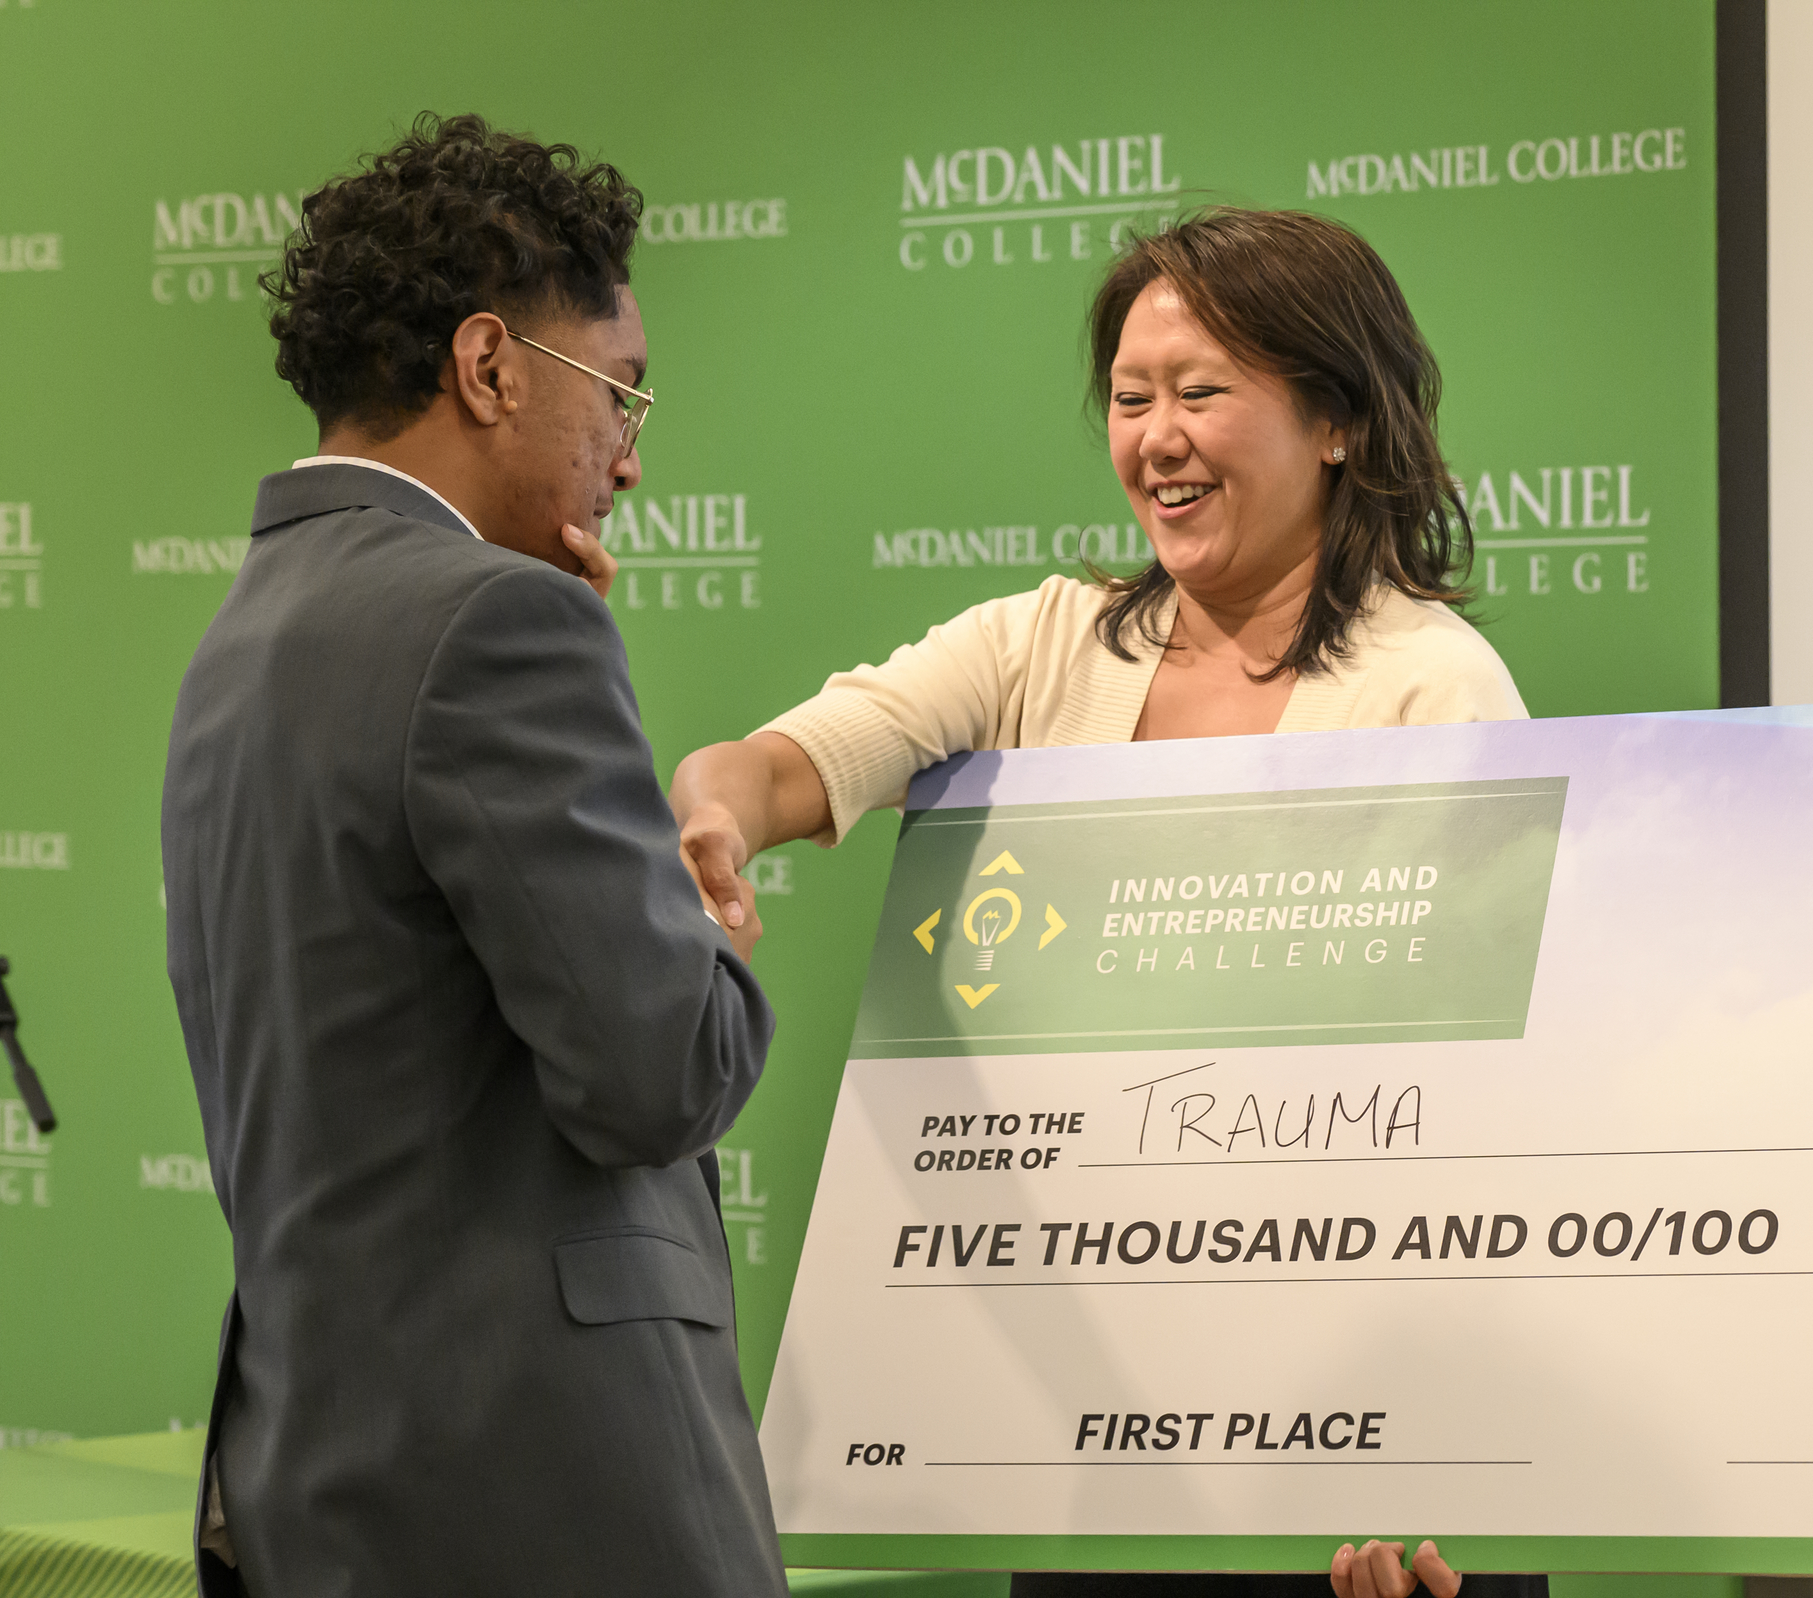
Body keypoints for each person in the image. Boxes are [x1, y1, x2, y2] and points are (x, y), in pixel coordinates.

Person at [672, 209, 1538, 1598]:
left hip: (1351, 1445)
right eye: (1133, 399)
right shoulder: (1043, 642)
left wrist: (1419, 1457)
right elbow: (797, 756)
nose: (1157, 436)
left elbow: (1478, 1117)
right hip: (1100, 1441)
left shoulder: (1432, 688)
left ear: (1336, 424)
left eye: (1202, 392)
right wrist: (715, 809)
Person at [162, 113, 783, 1597]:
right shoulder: (501, 622)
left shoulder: (237, 640)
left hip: (327, 1481)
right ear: (491, 365)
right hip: (547, 1493)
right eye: (618, 400)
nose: (626, 465)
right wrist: (705, 933)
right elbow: (655, 1070)